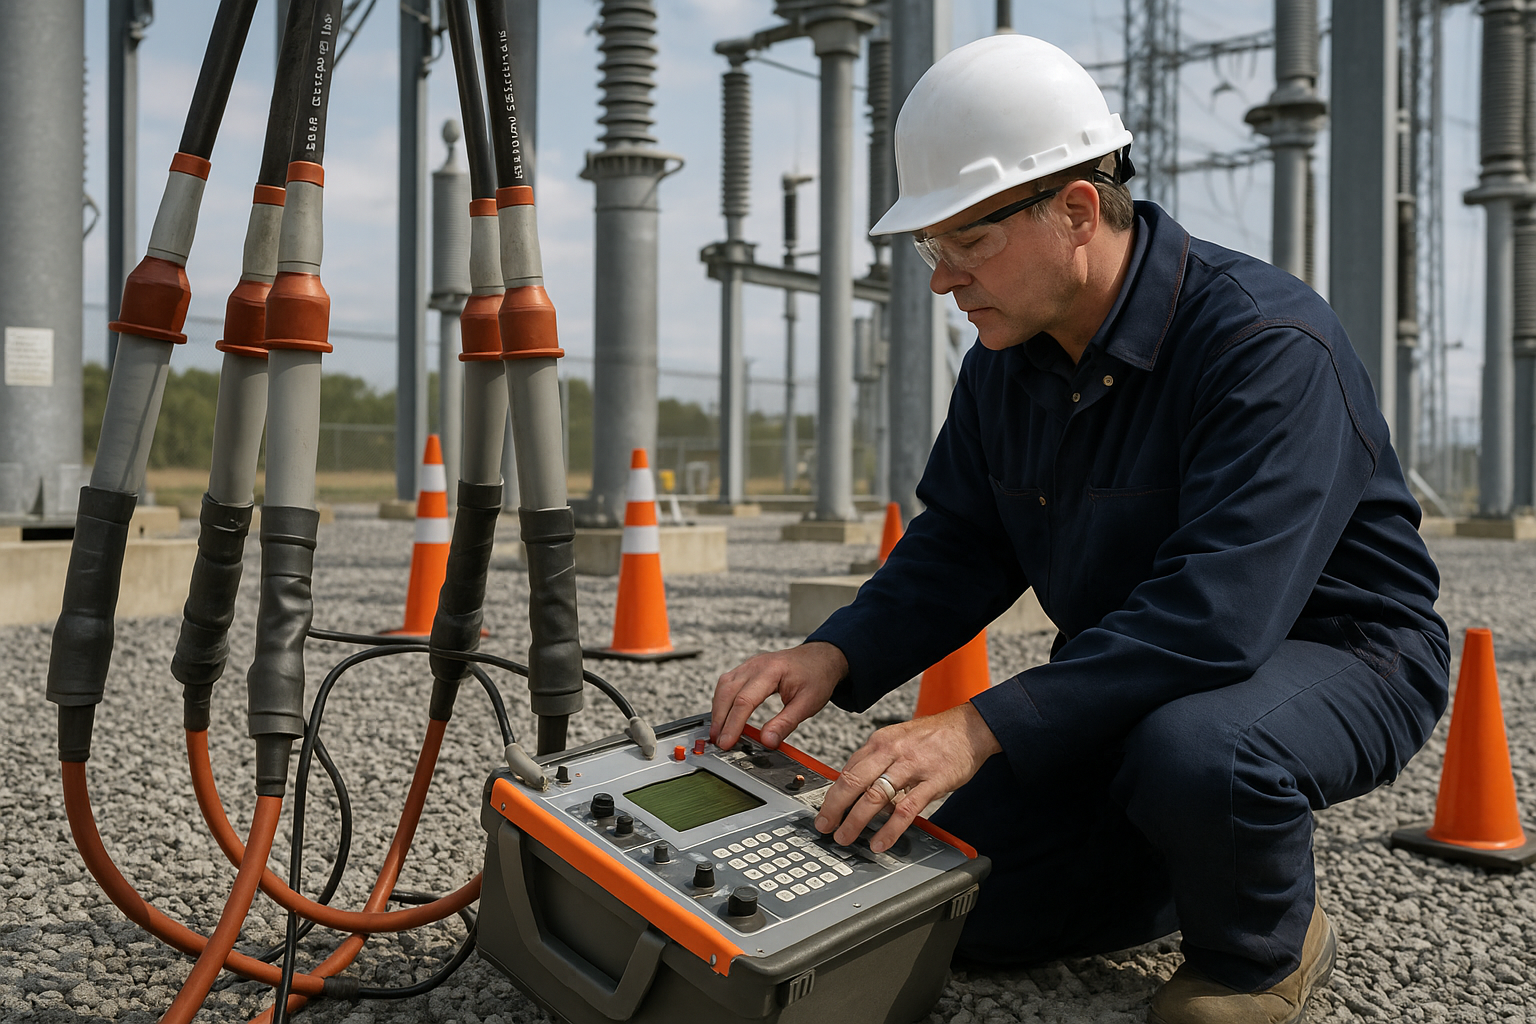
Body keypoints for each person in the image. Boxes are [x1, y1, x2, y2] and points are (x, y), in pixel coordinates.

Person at [709, 33, 1448, 1024]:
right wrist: (835, 652)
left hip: (1342, 653)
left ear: (1077, 210)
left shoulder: (1265, 345)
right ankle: (1187, 852)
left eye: (967, 242)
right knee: (957, 903)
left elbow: (1216, 617)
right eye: (934, 247)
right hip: (1138, 670)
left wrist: (978, 726)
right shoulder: (1009, 361)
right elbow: (965, 541)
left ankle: (1258, 952)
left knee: (1202, 751)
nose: (943, 280)